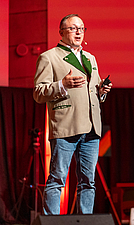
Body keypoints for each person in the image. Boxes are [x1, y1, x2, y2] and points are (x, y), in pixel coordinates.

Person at [33, 13, 112, 215]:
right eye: (73, 28)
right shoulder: (49, 57)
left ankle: (84, 220)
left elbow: (93, 91)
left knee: (88, 181)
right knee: (57, 178)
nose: (78, 32)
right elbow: (38, 93)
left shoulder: (90, 58)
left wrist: (101, 92)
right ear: (61, 32)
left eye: (81, 28)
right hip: (66, 126)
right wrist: (62, 85)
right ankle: (52, 220)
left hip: (91, 129)